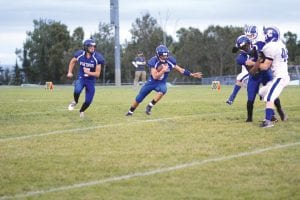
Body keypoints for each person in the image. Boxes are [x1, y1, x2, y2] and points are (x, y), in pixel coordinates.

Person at [126, 45, 202, 116]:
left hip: (161, 83)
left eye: (166, 55)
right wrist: (163, 70)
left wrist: (191, 74)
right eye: (163, 55)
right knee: (139, 98)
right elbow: (155, 76)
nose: (165, 57)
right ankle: (130, 112)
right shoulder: (153, 61)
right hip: (152, 82)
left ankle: (150, 106)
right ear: (158, 55)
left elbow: (181, 70)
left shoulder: (170, 61)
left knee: (163, 89)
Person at [252, 26, 290, 128]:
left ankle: (267, 121)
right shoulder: (280, 44)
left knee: (269, 97)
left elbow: (265, 66)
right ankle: (277, 114)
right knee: (262, 92)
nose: (264, 37)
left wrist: (253, 63)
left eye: (265, 35)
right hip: (281, 75)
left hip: (280, 77)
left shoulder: (271, 47)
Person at [67, 39, 105, 118]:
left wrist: (89, 72)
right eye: (90, 46)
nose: (92, 48)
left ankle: (81, 111)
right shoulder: (80, 54)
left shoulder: (97, 57)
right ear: (86, 47)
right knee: (77, 90)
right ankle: (75, 101)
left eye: (94, 46)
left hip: (91, 80)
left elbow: (97, 74)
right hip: (81, 77)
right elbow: (72, 61)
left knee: (88, 101)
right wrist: (69, 72)